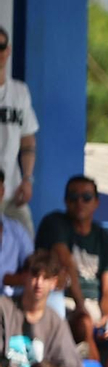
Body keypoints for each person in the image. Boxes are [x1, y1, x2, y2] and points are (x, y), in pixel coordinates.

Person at [0, 250, 104, 367]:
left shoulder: (55, 320)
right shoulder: (4, 308)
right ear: (25, 276)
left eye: (45, 277)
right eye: (34, 275)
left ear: (54, 282)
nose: (39, 283)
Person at [35, 175, 108, 352]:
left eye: (86, 197)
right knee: (84, 324)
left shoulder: (104, 237)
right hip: (64, 300)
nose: (80, 202)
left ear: (97, 202)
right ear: (66, 201)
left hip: (96, 303)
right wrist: (81, 306)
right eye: (73, 197)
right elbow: (65, 261)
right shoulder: (55, 222)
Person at [0, 28, 37, 235]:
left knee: (28, 245)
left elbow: (28, 140)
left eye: (1, 46)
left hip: (13, 189)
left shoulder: (19, 91)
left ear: (9, 50)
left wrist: (27, 179)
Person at [0, 169, 30, 290]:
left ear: (2, 192)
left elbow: (31, 260)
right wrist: (8, 279)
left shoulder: (15, 228)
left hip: (9, 303)